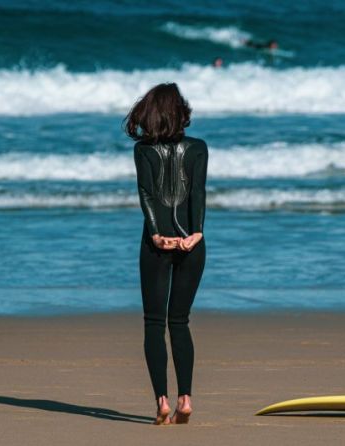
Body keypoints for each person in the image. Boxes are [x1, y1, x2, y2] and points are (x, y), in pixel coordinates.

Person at [123, 83, 208, 425]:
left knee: (154, 323)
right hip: (193, 245)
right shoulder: (199, 148)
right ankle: (185, 399)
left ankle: (161, 400)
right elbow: (198, 192)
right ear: (180, 112)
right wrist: (196, 232)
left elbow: (146, 193)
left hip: (156, 246)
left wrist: (157, 234)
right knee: (181, 321)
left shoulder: (143, 151)